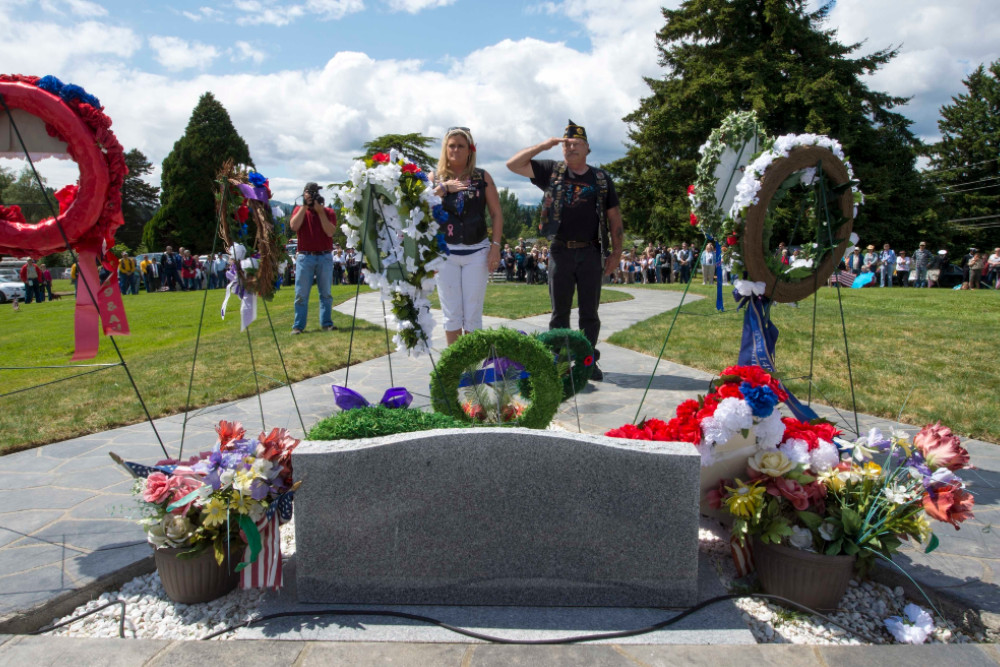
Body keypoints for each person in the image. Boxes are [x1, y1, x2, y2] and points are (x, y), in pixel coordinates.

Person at [506, 119, 623, 381]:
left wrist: (616, 253)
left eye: (576, 143)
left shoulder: (601, 179)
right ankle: (558, 363)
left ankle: (586, 361)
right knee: (560, 312)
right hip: (559, 251)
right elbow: (512, 165)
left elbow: (614, 217)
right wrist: (543, 145)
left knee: (589, 313)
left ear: (587, 148)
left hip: (591, 251)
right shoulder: (551, 171)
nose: (570, 148)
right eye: (566, 144)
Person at [431, 127, 503, 344]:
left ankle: (471, 367)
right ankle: (455, 367)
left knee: (472, 314)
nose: (456, 150)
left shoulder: (482, 176)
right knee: (451, 313)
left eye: (461, 145)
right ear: (445, 149)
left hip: (477, 252)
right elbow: (420, 209)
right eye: (451, 145)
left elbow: (496, 213)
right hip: (445, 253)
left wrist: (496, 247)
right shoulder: (434, 178)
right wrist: (443, 188)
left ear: (470, 150)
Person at [289, 182, 337, 334]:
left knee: (326, 293)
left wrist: (320, 211)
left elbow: (330, 232)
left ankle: (326, 323)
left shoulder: (328, 212)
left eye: (313, 193)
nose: (310, 196)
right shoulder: (299, 210)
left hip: (324, 256)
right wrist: (304, 207)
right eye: (308, 193)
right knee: (301, 294)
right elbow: (293, 226)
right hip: (305, 256)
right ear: (303, 194)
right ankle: (298, 326)